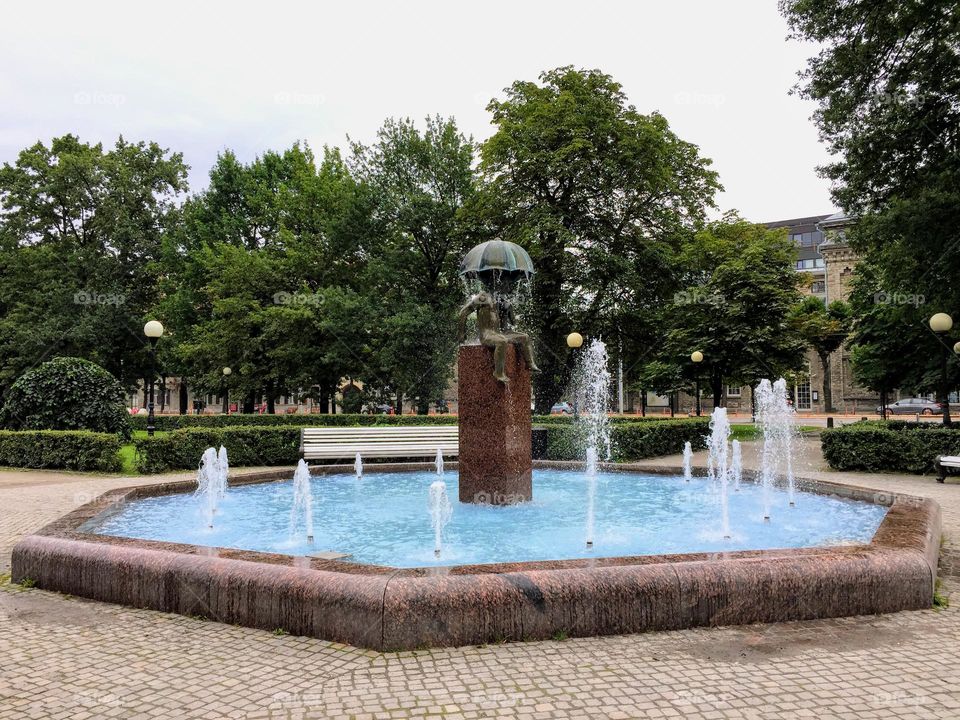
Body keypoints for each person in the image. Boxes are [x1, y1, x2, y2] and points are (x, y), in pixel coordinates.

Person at [457, 291, 539, 382]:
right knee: (502, 341)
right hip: (487, 334)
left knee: (525, 337)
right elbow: (463, 312)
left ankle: (529, 363)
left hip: (500, 333)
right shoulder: (483, 297)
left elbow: (513, 322)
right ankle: (498, 373)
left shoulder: (500, 300)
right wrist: (462, 333)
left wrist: (509, 308)